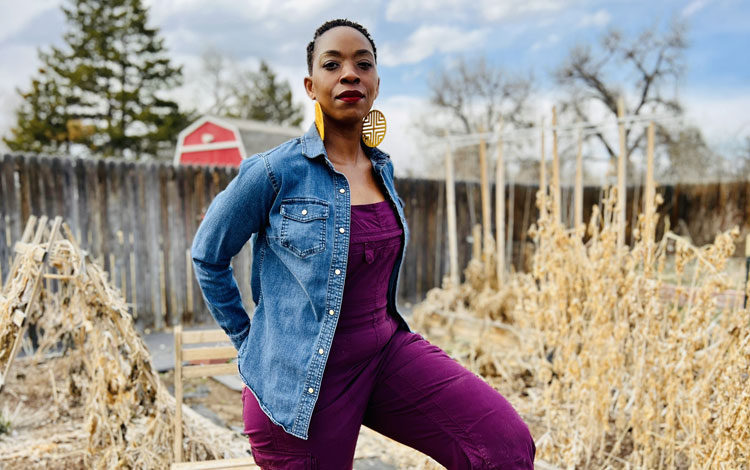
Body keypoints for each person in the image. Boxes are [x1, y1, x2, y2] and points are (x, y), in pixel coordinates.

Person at [190, 18, 535, 470]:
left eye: (363, 63)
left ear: (375, 83)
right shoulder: (273, 172)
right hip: (301, 388)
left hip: (384, 355)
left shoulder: (383, 171)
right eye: (332, 64)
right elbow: (208, 255)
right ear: (311, 85)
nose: (349, 73)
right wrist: (249, 340)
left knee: (503, 444)